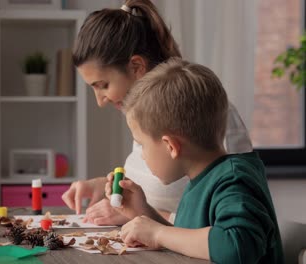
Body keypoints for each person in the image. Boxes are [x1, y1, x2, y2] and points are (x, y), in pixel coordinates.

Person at [61, 0, 252, 225]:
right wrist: (106, 185)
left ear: (136, 67)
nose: (101, 101)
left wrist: (137, 215)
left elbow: (230, 226)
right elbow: (159, 182)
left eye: (103, 85)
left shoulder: (207, 112)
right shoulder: (145, 112)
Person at [108, 57, 283, 263]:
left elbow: (237, 246)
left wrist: (157, 234)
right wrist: (143, 212)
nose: (142, 155)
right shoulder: (202, 179)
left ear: (171, 146)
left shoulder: (234, 180)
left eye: (142, 145)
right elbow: (191, 242)